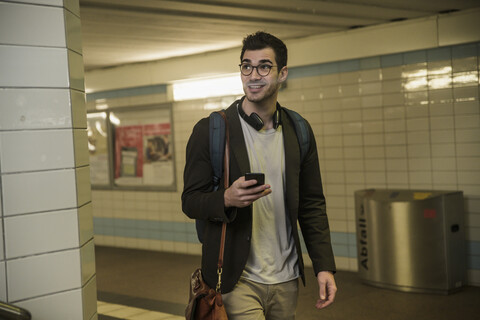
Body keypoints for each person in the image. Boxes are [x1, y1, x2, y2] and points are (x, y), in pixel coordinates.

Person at [182, 31, 337, 320]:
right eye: (246, 66)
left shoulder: (298, 130)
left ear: (282, 74)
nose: (254, 75)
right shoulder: (212, 130)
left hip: (286, 277)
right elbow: (190, 201)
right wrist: (226, 197)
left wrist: (323, 265)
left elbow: (312, 204)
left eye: (264, 66)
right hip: (236, 278)